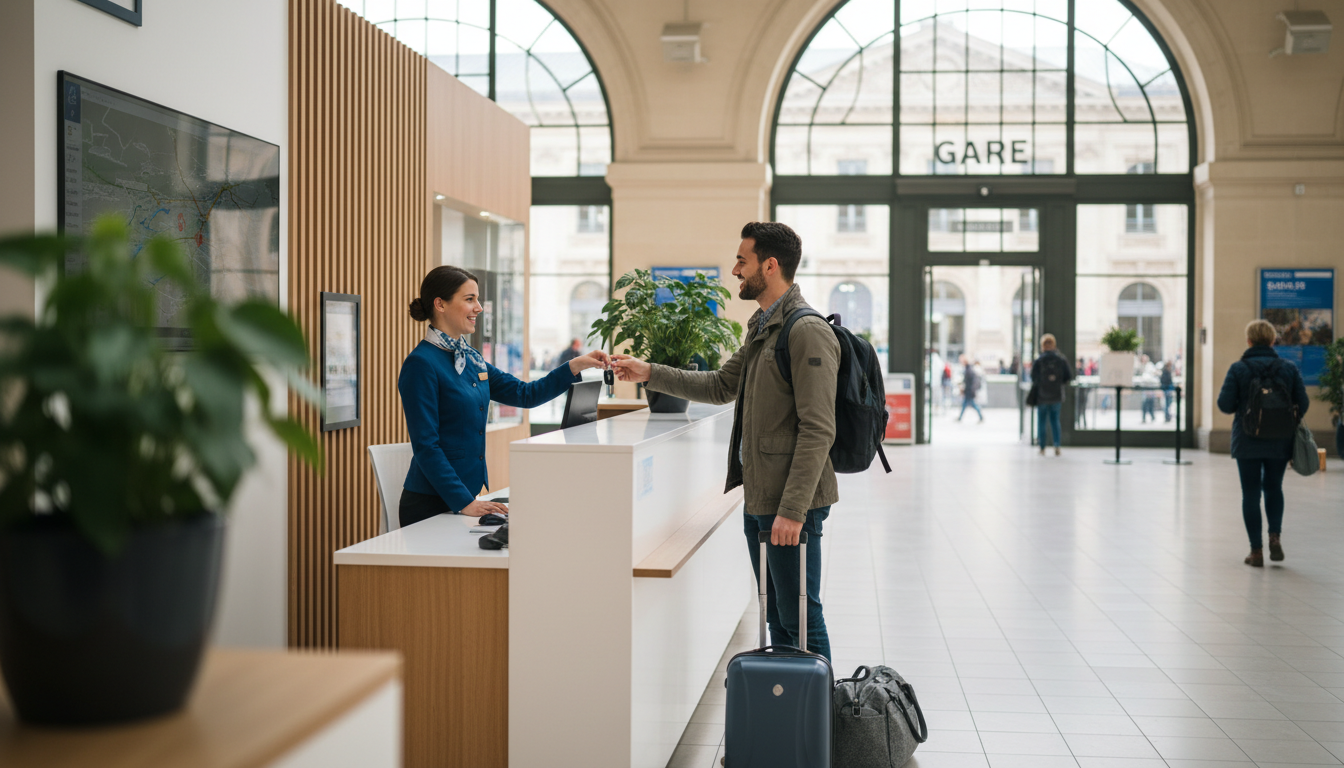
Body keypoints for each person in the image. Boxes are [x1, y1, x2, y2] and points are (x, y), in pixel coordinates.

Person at [612, 222, 838, 661]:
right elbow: (719, 385)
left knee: (801, 618)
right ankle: (791, 718)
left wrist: (792, 511)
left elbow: (818, 429)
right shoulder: (763, 325)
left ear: (769, 266)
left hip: (792, 505)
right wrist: (649, 371)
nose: (735, 270)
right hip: (760, 498)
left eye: (742, 260)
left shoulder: (805, 330)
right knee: (778, 617)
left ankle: (819, 725)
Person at [399, 266, 610, 527]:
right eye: (469, 299)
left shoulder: (471, 358)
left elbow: (525, 394)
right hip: (431, 505)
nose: (479, 307)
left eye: (477, 299)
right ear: (440, 304)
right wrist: (465, 502)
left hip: (464, 499)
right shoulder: (421, 364)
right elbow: (426, 446)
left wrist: (575, 365)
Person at [1216, 319, 1310, 567]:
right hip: (1280, 440)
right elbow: (1304, 403)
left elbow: (1224, 405)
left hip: (1247, 439)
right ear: (1272, 340)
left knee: (1250, 493)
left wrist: (1246, 405)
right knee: (1273, 487)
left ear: (1248, 341)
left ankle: (1255, 551)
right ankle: (1275, 537)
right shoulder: (1288, 368)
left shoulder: (1239, 369)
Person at [1030, 334, 1072, 456]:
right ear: (1054, 344)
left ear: (1042, 345)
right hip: (1056, 395)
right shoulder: (1061, 359)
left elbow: (1033, 377)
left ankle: (1042, 447)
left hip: (1042, 396)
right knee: (1055, 421)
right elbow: (1068, 376)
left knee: (1041, 422)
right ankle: (1057, 445)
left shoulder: (1039, 360)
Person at [957, 356, 984, 423]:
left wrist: (968, 389)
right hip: (969, 390)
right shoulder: (968, 369)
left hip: (969, 390)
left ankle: (980, 416)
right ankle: (960, 417)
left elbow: (969, 381)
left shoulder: (969, 369)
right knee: (965, 404)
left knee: (973, 404)